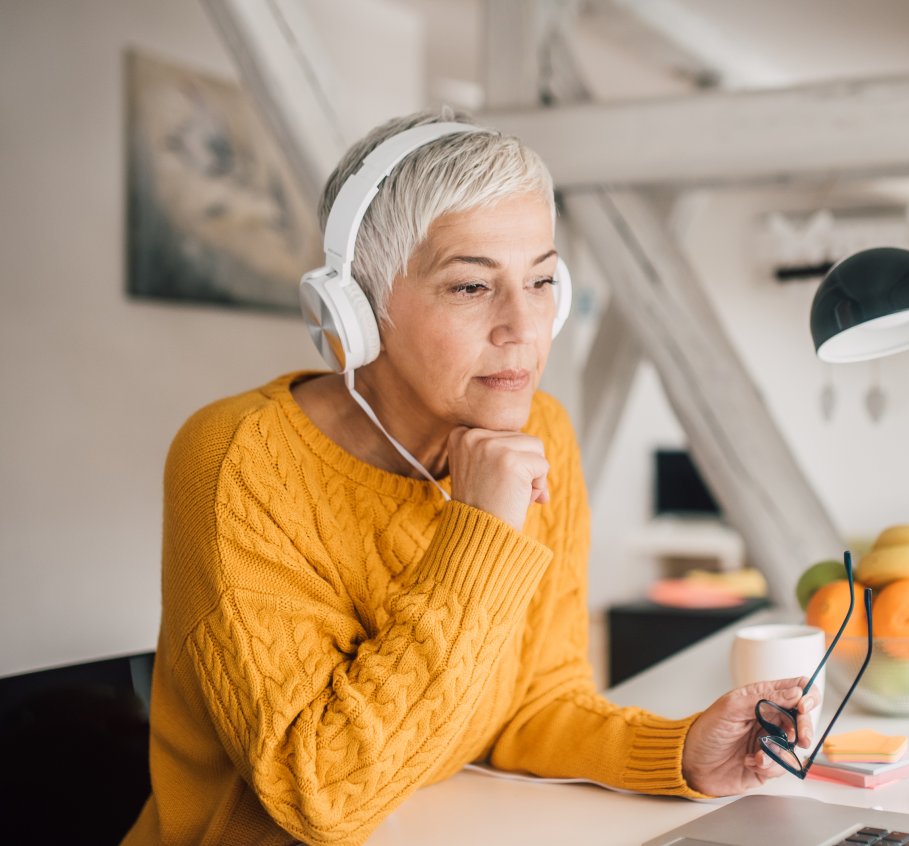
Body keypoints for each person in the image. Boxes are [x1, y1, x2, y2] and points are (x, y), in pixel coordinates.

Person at [121, 109, 815, 846]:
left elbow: (533, 700)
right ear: (357, 310)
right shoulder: (237, 460)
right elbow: (321, 795)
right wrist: (479, 532)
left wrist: (681, 752)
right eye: (469, 288)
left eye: (542, 279)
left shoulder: (540, 431)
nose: (524, 325)